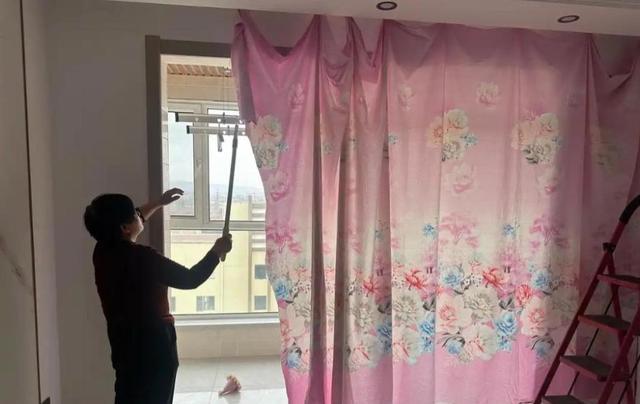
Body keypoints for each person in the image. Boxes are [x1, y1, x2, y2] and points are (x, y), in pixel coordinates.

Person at [83, 188, 232, 404]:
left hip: (123, 342)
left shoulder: (102, 252)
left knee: (128, 396)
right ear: (124, 228)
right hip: (155, 343)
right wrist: (216, 252)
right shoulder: (142, 258)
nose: (139, 214)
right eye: (134, 214)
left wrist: (158, 202)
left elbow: (133, 218)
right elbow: (190, 279)